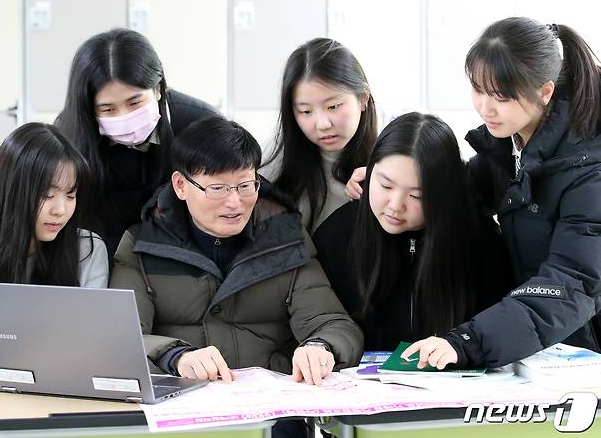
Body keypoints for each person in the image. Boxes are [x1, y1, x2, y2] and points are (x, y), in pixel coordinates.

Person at [110, 116, 362, 437]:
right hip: (184, 419)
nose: (234, 202)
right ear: (181, 185)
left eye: (245, 185)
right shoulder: (143, 246)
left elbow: (335, 324)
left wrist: (321, 346)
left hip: (272, 421)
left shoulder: (285, 238)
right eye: (217, 188)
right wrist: (175, 355)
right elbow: (121, 341)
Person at [404, 17, 601, 370]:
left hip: (587, 355)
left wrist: (468, 341)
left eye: (502, 96)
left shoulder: (589, 173)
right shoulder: (510, 145)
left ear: (545, 91)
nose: (485, 108)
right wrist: (389, 179)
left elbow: (572, 282)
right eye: (479, 89)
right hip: (549, 350)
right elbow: (456, 196)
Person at [0, 123, 109, 416]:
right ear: (12, 192)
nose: (60, 209)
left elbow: (91, 361)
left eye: (70, 195)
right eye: (47, 194)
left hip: (70, 416)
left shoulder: (87, 251)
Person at [314, 112, 513, 351]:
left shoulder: (481, 243)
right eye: (385, 185)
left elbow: (499, 329)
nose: (395, 205)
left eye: (417, 195)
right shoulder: (336, 235)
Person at [56, 28, 221, 258]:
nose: (123, 117)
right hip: (100, 256)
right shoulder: (70, 133)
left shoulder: (201, 125)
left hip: (184, 256)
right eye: (108, 109)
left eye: (135, 103)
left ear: (158, 89)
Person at [262, 37, 377, 234]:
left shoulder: (392, 155)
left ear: (363, 98)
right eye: (306, 111)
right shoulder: (274, 162)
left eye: (333, 107)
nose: (323, 124)